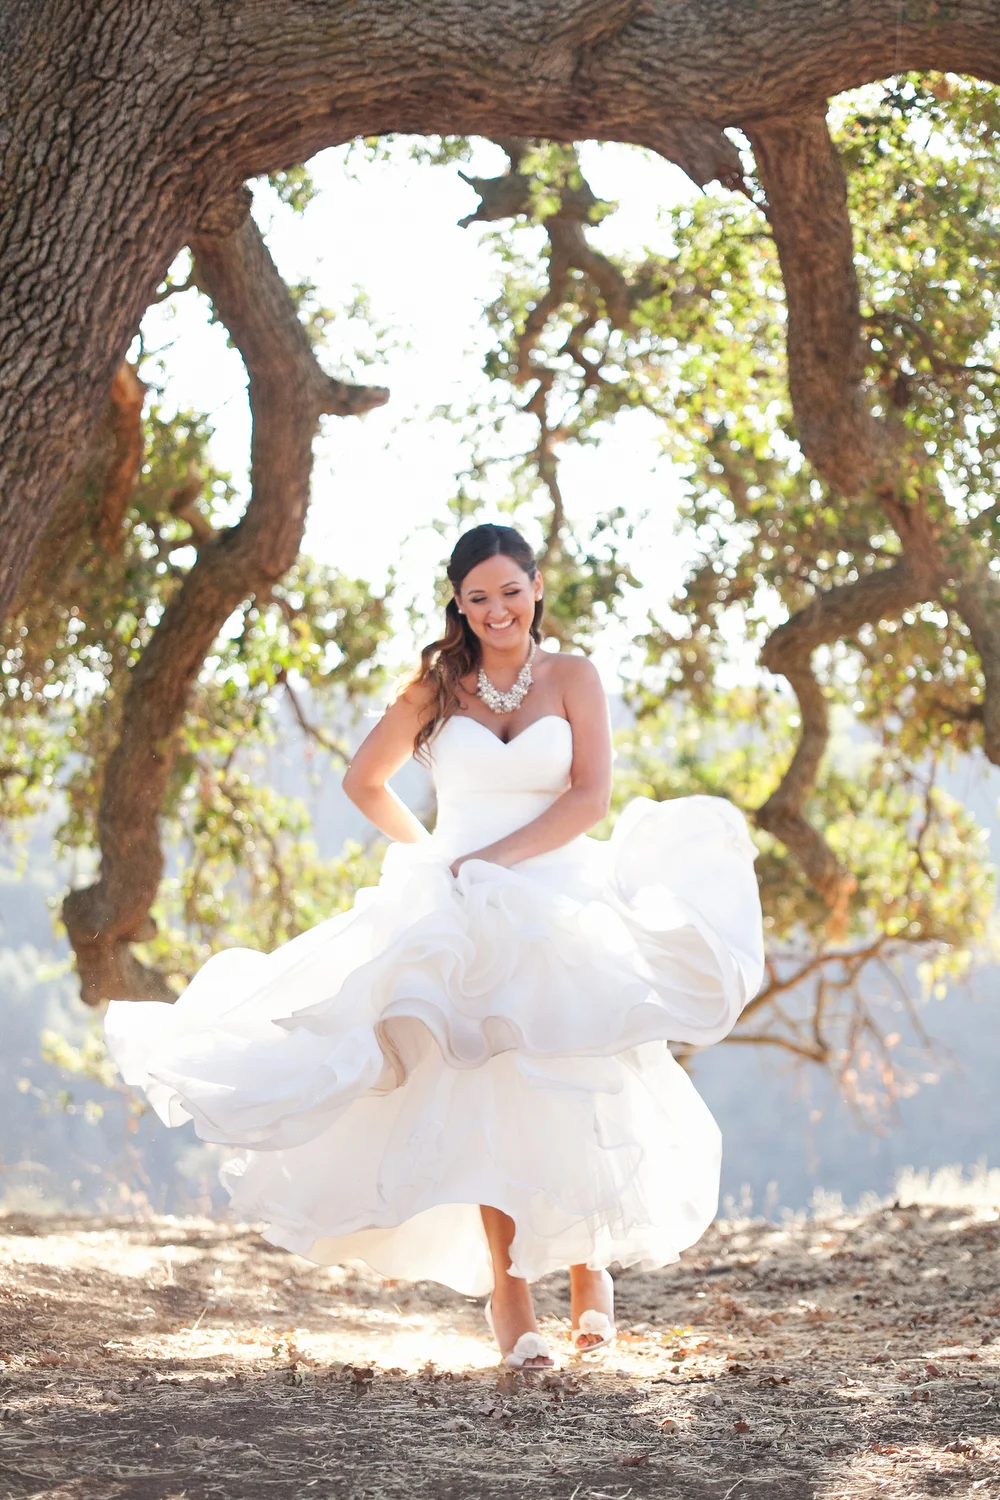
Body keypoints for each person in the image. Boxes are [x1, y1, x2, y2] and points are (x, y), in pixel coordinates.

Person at [106, 523, 764, 1371]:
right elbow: (362, 780)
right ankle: (512, 1298)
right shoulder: (435, 689)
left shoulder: (574, 678)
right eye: (478, 596)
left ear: (536, 587)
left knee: (578, 1078)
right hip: (460, 909)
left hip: (557, 897)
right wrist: (433, 859)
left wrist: (497, 860)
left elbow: (591, 797)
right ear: (458, 601)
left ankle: (589, 1273)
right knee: (484, 1099)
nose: (498, 610)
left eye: (511, 591)